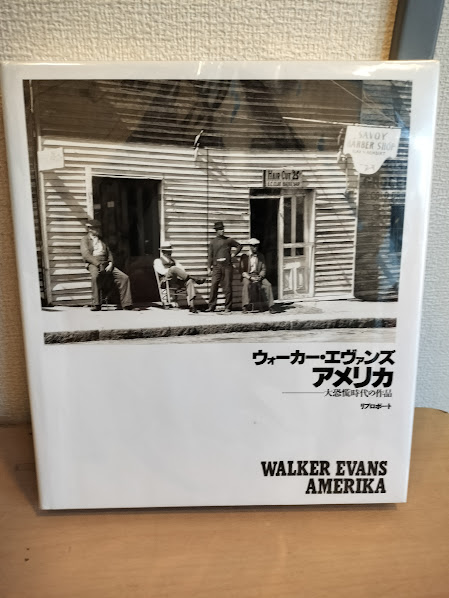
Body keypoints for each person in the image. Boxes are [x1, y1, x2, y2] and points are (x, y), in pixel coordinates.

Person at [80, 219, 133, 311]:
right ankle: (96, 304)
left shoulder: (102, 239)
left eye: (98, 228)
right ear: (90, 229)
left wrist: (111, 263)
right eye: (96, 228)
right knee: (95, 277)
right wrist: (98, 264)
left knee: (124, 278)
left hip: (106, 263)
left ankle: (127, 304)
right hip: (94, 263)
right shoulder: (85, 240)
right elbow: (86, 255)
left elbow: (109, 253)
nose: (98, 230)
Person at [154, 241, 205, 313]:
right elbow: (161, 271)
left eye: (170, 251)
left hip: (175, 281)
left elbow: (182, 270)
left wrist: (178, 272)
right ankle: (194, 278)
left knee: (189, 281)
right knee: (173, 268)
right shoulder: (158, 261)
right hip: (165, 281)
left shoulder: (174, 261)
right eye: (167, 252)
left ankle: (192, 306)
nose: (169, 253)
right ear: (163, 252)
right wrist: (172, 270)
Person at [207, 221, 242, 313]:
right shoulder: (213, 242)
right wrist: (209, 267)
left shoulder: (228, 240)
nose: (222, 231)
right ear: (216, 231)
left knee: (227, 286)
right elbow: (210, 256)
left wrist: (234, 254)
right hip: (216, 267)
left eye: (222, 229)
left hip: (227, 266)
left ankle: (228, 307)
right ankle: (211, 306)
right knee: (214, 285)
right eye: (219, 229)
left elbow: (239, 246)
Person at [240, 238, 276, 314]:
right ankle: (245, 306)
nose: (255, 248)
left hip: (258, 275)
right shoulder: (245, 256)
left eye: (256, 246)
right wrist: (250, 278)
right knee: (246, 284)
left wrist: (260, 276)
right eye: (253, 246)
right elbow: (242, 271)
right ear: (250, 246)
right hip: (248, 276)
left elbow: (263, 269)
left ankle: (271, 306)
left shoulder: (261, 256)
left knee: (268, 285)